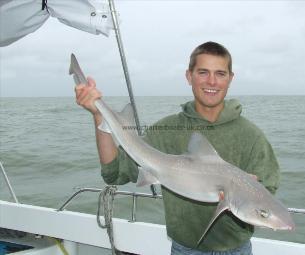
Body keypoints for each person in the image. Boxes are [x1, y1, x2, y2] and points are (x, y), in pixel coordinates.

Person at [75, 41, 280, 255]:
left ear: (230, 78)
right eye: (203, 72)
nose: (212, 81)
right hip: (185, 249)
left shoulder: (251, 135)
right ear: (189, 76)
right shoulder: (165, 130)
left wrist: (245, 188)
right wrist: (98, 115)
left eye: (220, 73)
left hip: (237, 249)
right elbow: (114, 173)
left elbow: (268, 191)